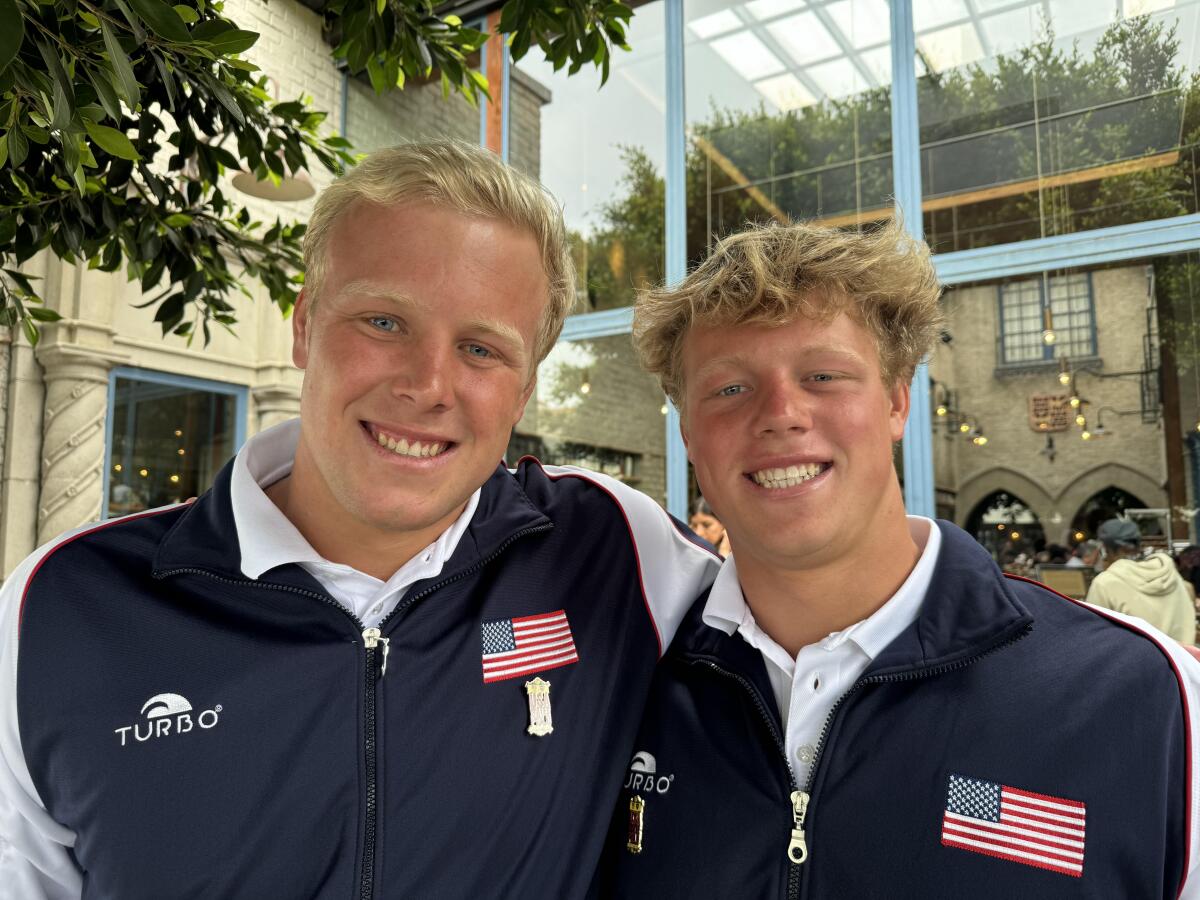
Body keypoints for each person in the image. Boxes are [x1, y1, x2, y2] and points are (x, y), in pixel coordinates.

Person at [0, 141, 719, 898]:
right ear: (304, 326)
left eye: (480, 348)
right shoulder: (57, 612)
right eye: (383, 321)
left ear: (525, 388)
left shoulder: (612, 546)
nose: (428, 384)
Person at [597, 219, 1200, 897]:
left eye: (823, 374)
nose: (781, 413)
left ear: (896, 401)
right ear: (687, 435)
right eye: (729, 389)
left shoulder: (1142, 696)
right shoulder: (619, 684)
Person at [1086, 517, 1195, 646]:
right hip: (1182, 663)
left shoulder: (1104, 584)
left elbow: (1094, 638)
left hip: (1135, 665)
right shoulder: (1172, 575)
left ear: (1105, 550)